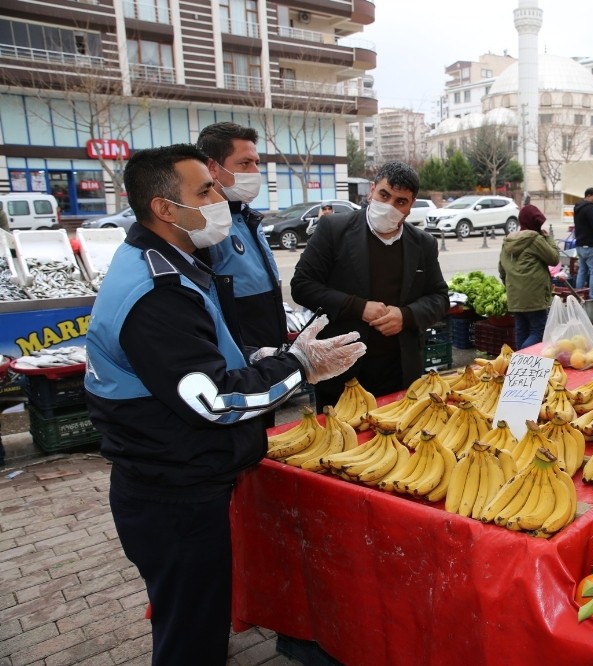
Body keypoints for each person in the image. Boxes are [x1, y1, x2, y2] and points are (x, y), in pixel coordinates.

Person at [84, 144, 366, 665]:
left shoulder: (172, 262)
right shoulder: (157, 291)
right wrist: (298, 367)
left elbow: (202, 355)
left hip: (178, 478)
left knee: (194, 618)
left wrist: (262, 357)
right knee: (190, 636)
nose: (220, 196)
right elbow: (213, 400)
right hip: (173, 493)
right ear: (165, 209)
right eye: (205, 190)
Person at [291, 161, 449, 408]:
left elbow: (439, 298)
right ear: (372, 191)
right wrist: (358, 307)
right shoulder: (334, 229)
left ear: (410, 206)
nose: (389, 206)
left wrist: (406, 316)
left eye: (400, 201)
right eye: (384, 195)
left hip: (400, 371)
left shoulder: (423, 243)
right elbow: (302, 286)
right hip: (341, 371)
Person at [196, 122, 285, 351]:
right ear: (212, 167)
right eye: (245, 163)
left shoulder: (248, 217)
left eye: (256, 163)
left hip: (271, 354)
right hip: (240, 360)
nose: (255, 172)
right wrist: (248, 356)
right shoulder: (204, 226)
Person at [499, 208, 560, 349]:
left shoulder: (508, 241)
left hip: (515, 295)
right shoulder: (535, 239)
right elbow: (554, 259)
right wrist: (549, 239)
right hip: (534, 296)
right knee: (539, 332)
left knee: (522, 330)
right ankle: (522, 356)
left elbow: (502, 269)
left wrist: (512, 286)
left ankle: (519, 361)